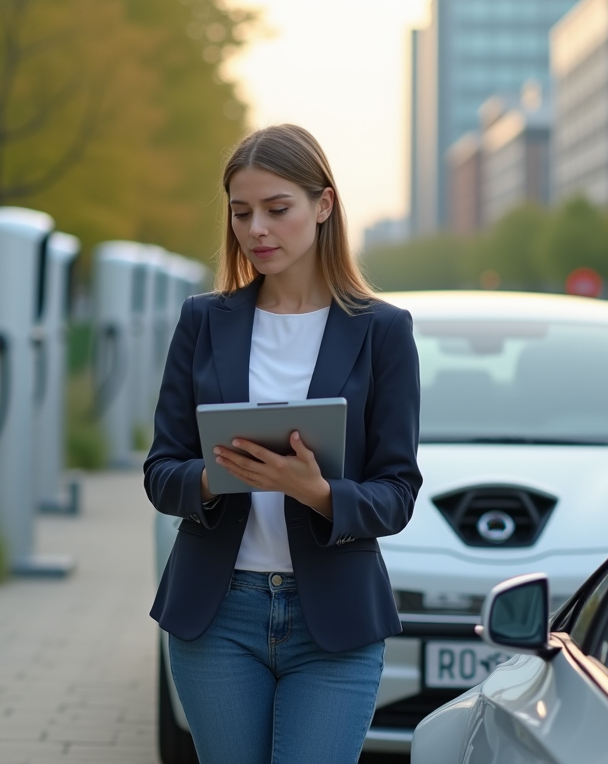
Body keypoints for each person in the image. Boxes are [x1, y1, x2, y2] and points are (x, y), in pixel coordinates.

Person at [144, 123, 422, 764]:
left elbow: (398, 491)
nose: (257, 230)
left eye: (277, 209)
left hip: (335, 623)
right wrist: (215, 477)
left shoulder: (383, 332)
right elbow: (162, 470)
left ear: (323, 206)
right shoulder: (202, 322)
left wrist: (319, 493)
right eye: (242, 214)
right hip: (218, 615)